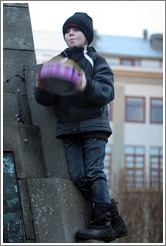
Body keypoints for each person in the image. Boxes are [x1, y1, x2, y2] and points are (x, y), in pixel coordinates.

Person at [34, 12, 128, 242]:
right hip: (68, 129)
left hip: (93, 126)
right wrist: (43, 87)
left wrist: (85, 85)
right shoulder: (58, 61)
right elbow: (44, 100)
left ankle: (102, 223)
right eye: (67, 31)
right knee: (78, 176)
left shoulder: (97, 61)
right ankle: (113, 219)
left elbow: (107, 92)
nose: (70, 34)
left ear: (87, 35)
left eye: (75, 30)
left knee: (94, 172)